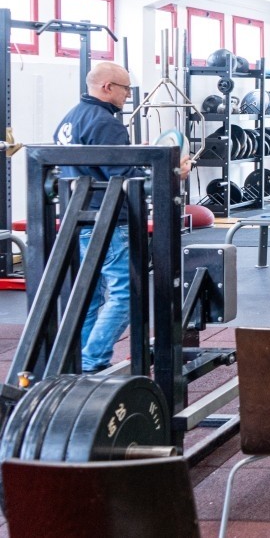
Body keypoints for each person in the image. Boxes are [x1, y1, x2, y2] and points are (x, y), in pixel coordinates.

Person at [54, 62, 191, 373]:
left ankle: (81, 365)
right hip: (110, 222)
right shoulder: (107, 124)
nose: (128, 95)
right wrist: (172, 172)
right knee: (125, 295)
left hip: (77, 221)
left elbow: (100, 165)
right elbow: (126, 178)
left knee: (86, 298)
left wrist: (137, 155)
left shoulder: (70, 119)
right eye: (125, 89)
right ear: (107, 87)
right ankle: (93, 361)